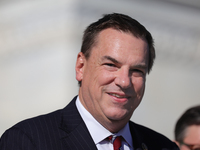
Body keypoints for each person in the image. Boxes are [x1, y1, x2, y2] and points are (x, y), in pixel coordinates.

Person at [0, 13, 179, 150]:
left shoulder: (162, 146)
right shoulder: (28, 141)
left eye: (137, 70)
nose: (124, 81)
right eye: (111, 65)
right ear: (81, 67)